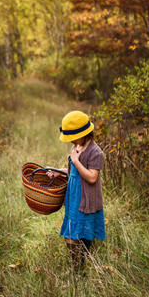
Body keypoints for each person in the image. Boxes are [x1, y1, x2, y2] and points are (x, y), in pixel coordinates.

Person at [48, 110, 105, 272]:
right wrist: (58, 171)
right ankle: (77, 268)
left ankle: (81, 269)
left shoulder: (95, 152)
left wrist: (75, 160)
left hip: (86, 198)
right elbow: (73, 171)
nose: (70, 141)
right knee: (71, 233)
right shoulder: (77, 146)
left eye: (73, 136)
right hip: (73, 197)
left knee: (83, 233)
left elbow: (92, 177)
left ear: (84, 133)